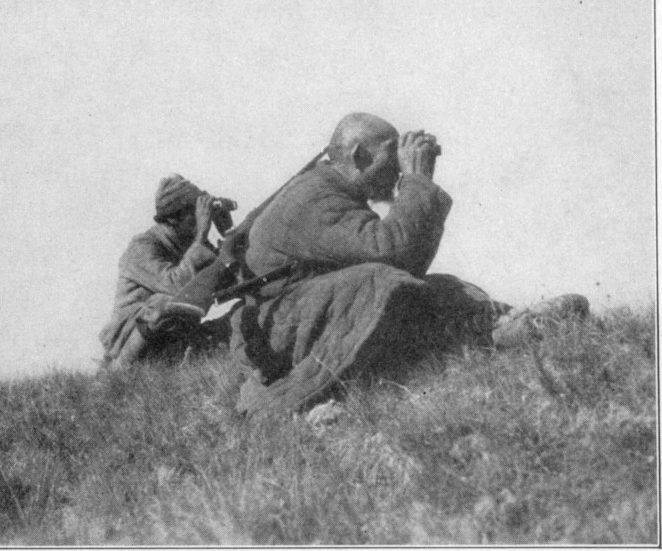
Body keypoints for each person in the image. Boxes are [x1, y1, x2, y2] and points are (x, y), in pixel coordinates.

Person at [230, 112, 588, 415]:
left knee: (439, 284)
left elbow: (400, 258)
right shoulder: (315, 196)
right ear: (358, 156)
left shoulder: (331, 188)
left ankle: (499, 324)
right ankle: (479, 338)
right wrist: (417, 181)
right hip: (279, 331)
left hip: (306, 314)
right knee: (379, 281)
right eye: (392, 156)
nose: (399, 170)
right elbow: (394, 252)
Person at [99, 174, 238, 369]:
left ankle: (183, 357)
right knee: (164, 305)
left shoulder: (187, 244)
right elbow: (178, 289)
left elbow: (227, 280)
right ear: (175, 217)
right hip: (129, 351)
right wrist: (201, 235)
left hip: (173, 339)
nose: (201, 217)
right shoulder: (142, 247)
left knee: (241, 316)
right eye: (195, 212)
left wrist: (229, 232)